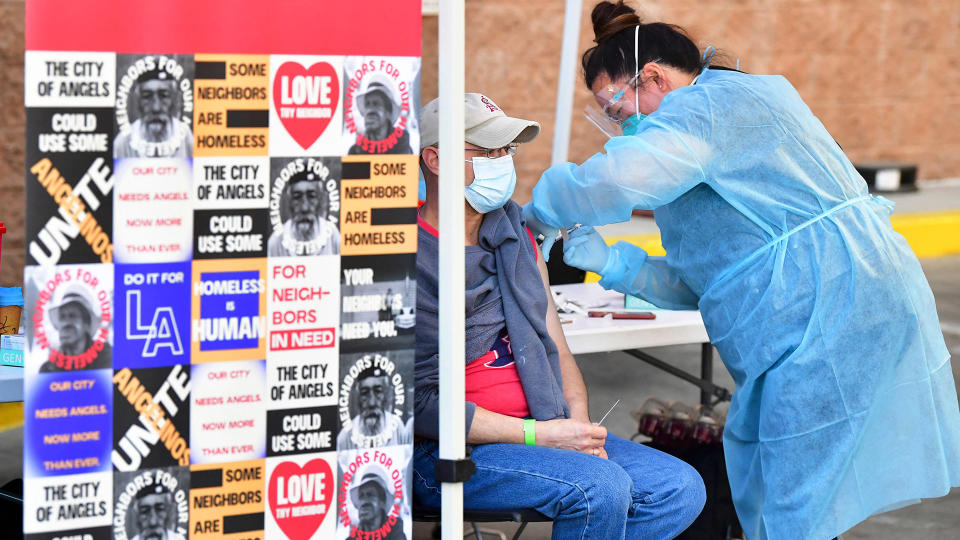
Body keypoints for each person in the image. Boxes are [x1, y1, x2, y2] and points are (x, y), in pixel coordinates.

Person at [522, 2, 960, 539]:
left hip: (833, 310)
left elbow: (616, 182)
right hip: (802, 317)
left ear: (653, 77)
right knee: (766, 482)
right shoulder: (696, 151)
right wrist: (613, 262)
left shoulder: (717, 107)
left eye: (616, 110)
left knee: (793, 501)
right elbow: (714, 281)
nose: (620, 127)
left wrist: (543, 206)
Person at [413, 92, 705, 539]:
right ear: (435, 159)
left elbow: (558, 350)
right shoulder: (406, 255)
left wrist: (578, 429)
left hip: (546, 429)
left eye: (505, 150)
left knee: (678, 487)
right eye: (487, 151)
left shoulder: (514, 237)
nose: (502, 161)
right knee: (601, 488)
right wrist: (540, 438)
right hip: (448, 450)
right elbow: (418, 404)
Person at [115, 69, 193, 158]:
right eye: (147, 96)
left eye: (164, 96)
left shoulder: (185, 137)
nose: (156, 108)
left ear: (173, 99)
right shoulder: (123, 142)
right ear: (138, 100)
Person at [267, 171, 340, 256]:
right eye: (297, 197)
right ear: (289, 201)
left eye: (311, 197)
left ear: (320, 200)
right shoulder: (276, 241)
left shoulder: (332, 236)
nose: (304, 208)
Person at [338, 365, 411, 450]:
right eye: (365, 393)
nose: (372, 403)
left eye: (378, 392)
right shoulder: (345, 437)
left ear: (385, 395)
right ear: (358, 397)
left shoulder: (397, 428)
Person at [41, 283, 111, 372]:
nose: (65, 323)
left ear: (86, 324)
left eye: (72, 316)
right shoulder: (49, 368)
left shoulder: (105, 356)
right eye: (62, 317)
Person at [348, 74, 412, 155]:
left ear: (388, 113)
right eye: (367, 104)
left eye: (376, 104)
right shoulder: (356, 150)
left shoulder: (402, 142)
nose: (370, 110)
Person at [349, 470, 405, 539]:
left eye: (370, 495)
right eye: (361, 496)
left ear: (382, 502)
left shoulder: (395, 529)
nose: (364, 500)